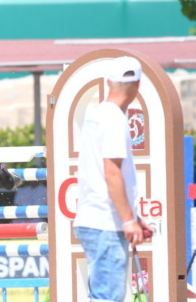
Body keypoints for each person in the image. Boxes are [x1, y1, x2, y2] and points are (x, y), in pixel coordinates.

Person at [73, 56, 154, 302]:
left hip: (92, 218)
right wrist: (129, 220)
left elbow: (101, 172)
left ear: (109, 82)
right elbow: (112, 172)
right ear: (138, 86)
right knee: (107, 297)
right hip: (107, 223)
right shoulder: (116, 120)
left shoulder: (95, 114)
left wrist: (134, 219)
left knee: (102, 295)